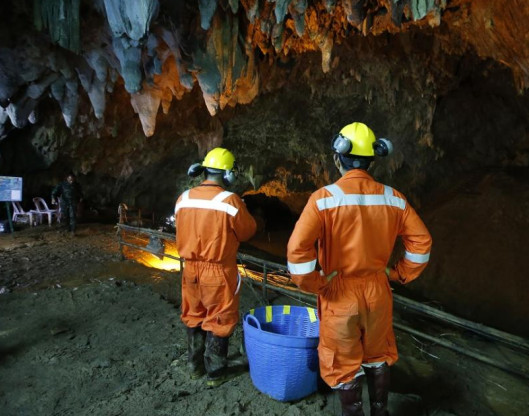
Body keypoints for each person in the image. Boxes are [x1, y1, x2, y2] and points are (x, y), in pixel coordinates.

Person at [287, 122, 433, 416]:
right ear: (372, 159)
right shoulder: (393, 198)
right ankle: (380, 412)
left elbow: (297, 251)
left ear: (338, 157)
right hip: (377, 290)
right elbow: (422, 242)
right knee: (378, 356)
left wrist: (316, 283)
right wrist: (397, 273)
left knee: (343, 363)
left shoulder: (324, 199)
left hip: (339, 291)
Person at [174, 147, 257, 387]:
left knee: (193, 315)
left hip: (190, 269)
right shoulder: (230, 201)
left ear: (203, 170)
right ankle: (215, 372)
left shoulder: (184, 198)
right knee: (219, 318)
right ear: (228, 174)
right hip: (218, 270)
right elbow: (247, 231)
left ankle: (194, 366)